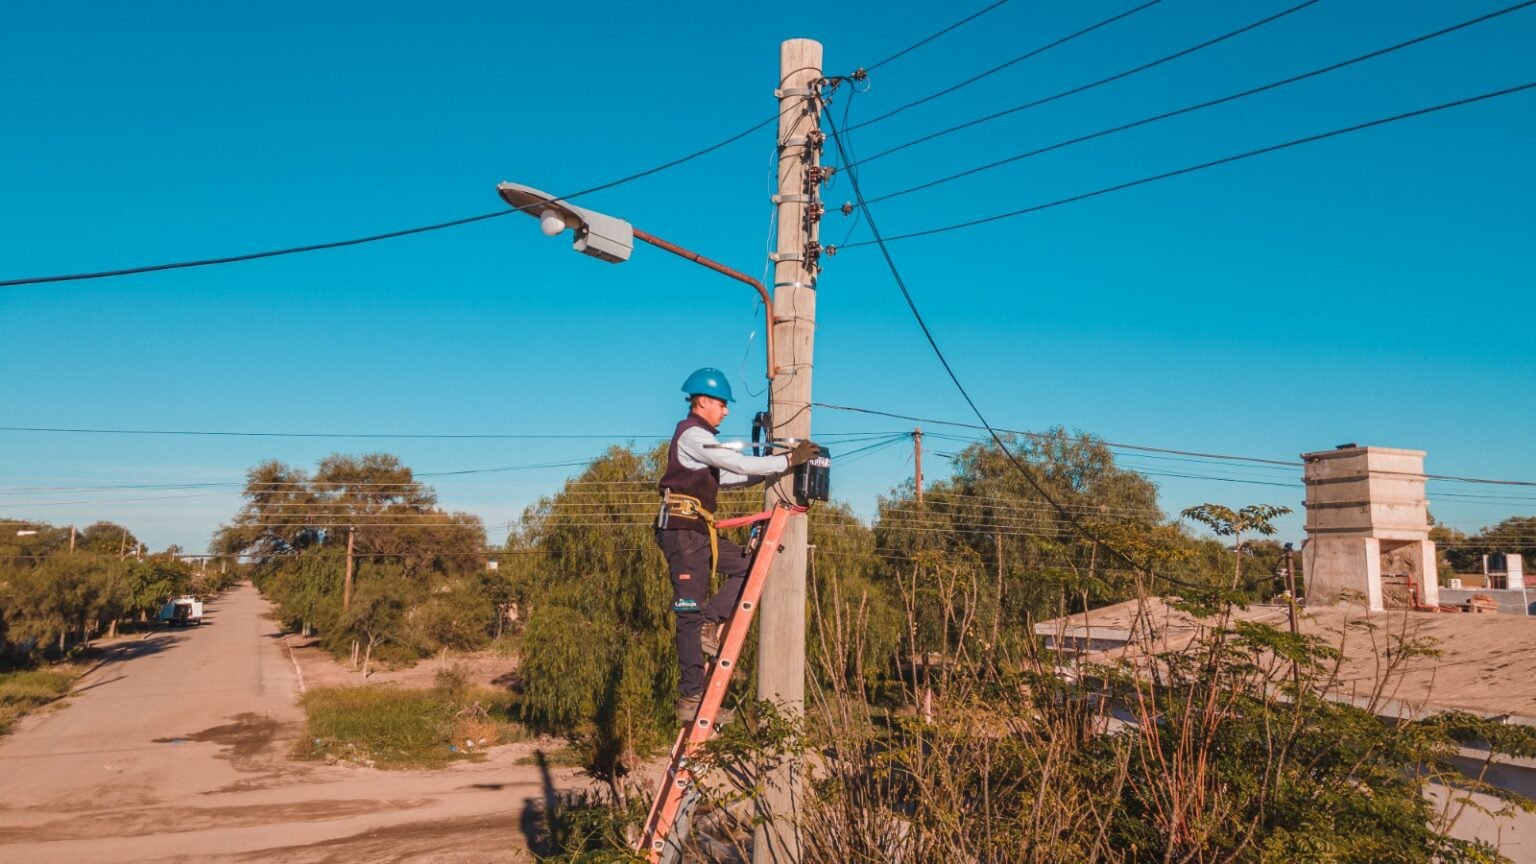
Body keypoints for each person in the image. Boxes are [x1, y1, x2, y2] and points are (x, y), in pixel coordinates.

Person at [655, 367, 819, 724]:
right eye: (722, 404)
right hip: (682, 533)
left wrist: (775, 470)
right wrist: (788, 459)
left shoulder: (701, 443)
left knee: (749, 564)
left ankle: (709, 623)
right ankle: (691, 697)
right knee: (688, 611)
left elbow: (732, 475)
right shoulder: (693, 435)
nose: (726, 411)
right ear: (702, 401)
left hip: (698, 533)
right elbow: (736, 461)